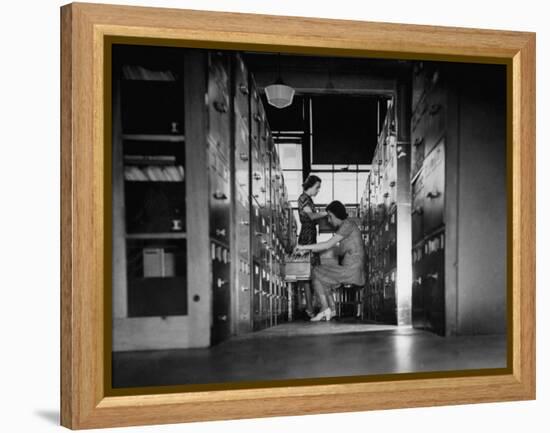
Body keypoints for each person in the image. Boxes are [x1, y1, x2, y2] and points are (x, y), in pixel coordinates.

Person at [295, 200, 365, 322]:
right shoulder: (348, 226)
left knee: (316, 271)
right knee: (322, 277)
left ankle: (325, 309)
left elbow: (328, 245)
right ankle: (330, 310)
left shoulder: (347, 225)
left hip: (352, 270)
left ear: (337, 215)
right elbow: (341, 249)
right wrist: (311, 250)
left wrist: (303, 247)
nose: (329, 220)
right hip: (352, 269)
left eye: (330, 217)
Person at [297, 175, 327, 318]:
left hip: (311, 236)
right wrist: (327, 212)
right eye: (317, 187)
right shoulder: (303, 198)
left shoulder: (309, 200)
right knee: (308, 274)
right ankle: (310, 308)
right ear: (310, 185)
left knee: (311, 274)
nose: (318, 190)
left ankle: (312, 308)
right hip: (306, 237)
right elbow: (312, 217)